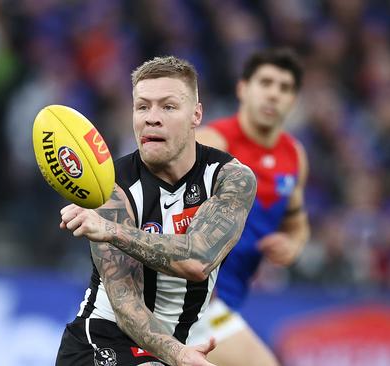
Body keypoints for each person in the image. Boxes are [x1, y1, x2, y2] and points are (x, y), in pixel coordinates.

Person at [56, 56, 257, 366]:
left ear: (196, 115)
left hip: (170, 351)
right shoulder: (111, 188)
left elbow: (197, 259)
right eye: (142, 107)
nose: (152, 118)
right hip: (101, 342)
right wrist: (179, 356)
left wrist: (113, 231)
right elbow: (126, 305)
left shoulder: (230, 178)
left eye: (168, 107)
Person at [192, 48, 310, 366]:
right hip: (192, 300)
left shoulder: (293, 156)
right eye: (266, 83)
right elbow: (163, 210)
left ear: (294, 100)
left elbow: (296, 221)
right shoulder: (213, 143)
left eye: (285, 88)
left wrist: (292, 244)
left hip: (228, 302)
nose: (274, 94)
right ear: (243, 89)